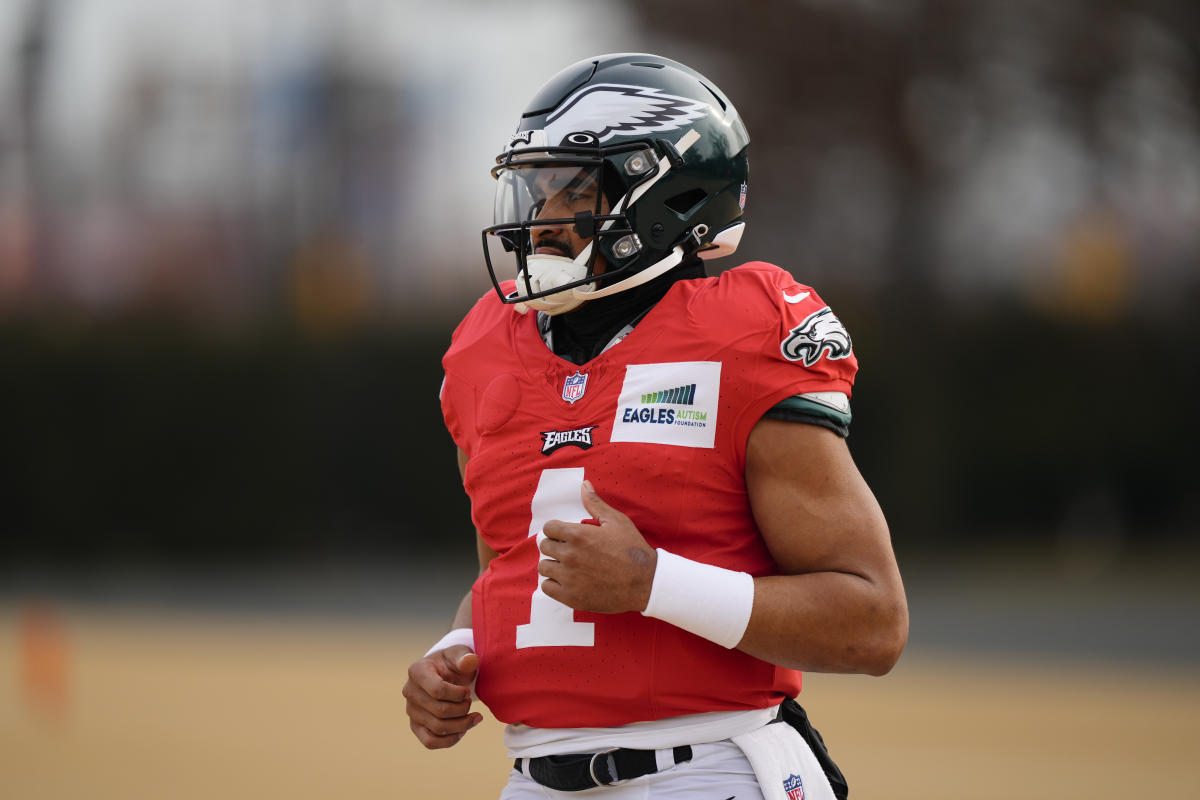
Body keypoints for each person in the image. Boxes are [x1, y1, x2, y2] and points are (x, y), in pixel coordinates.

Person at [403, 53, 908, 800]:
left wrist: (655, 584)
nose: (538, 219)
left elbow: (872, 622)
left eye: (570, 192)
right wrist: (456, 650)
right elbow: (511, 571)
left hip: (709, 769)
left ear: (663, 196)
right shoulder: (485, 348)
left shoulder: (743, 333)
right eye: (534, 191)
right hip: (534, 778)